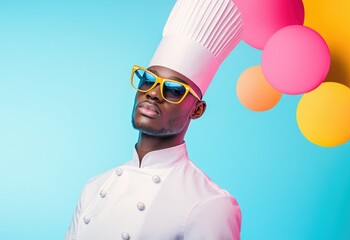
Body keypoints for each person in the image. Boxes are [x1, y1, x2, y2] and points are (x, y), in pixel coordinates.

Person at [65, 0, 243, 239]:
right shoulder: (94, 188)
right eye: (148, 80)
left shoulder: (209, 204)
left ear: (197, 110)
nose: (153, 93)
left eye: (173, 89)